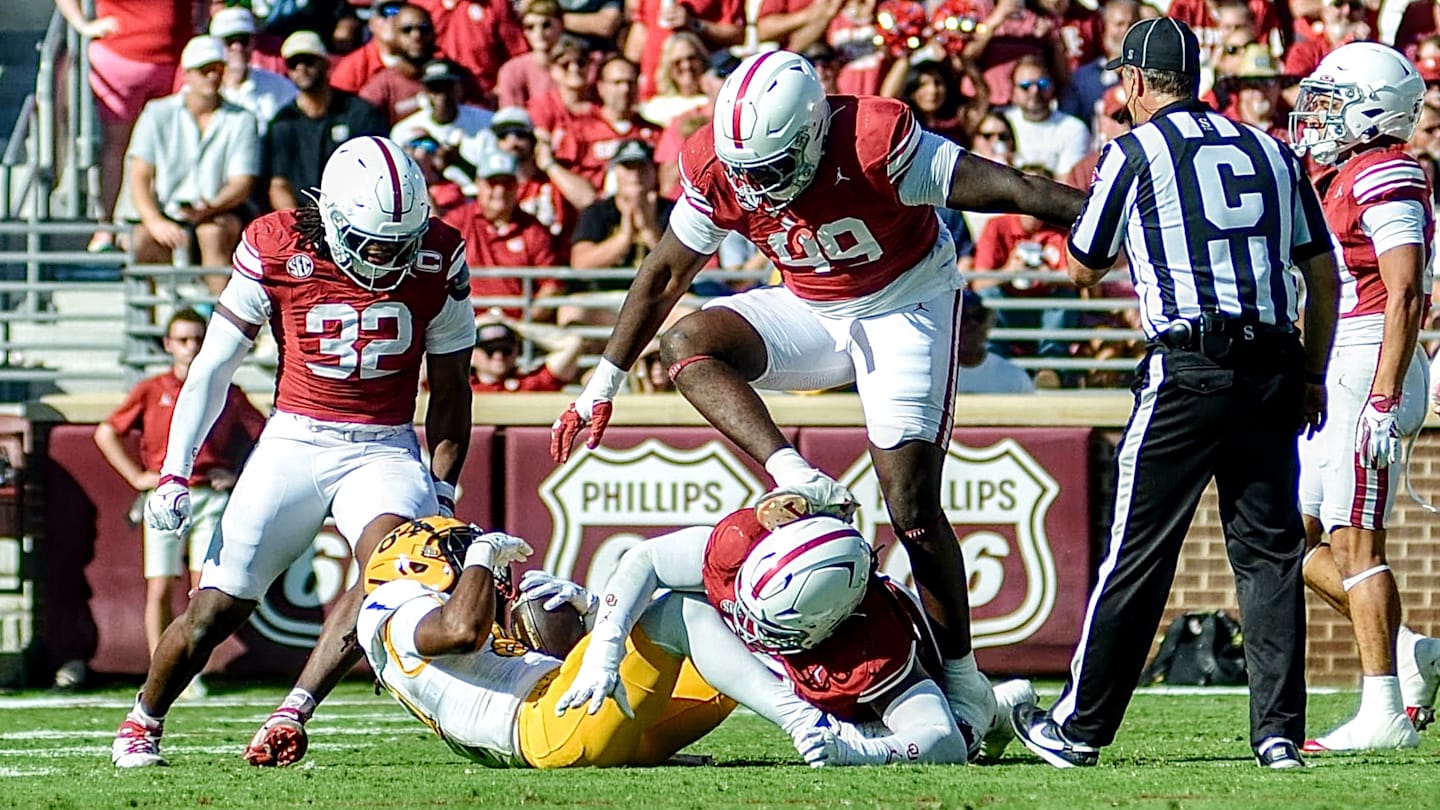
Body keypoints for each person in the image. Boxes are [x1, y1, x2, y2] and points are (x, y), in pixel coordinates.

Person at [548, 50, 1086, 716]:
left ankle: (963, 678)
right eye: (744, 171)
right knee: (687, 342)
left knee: (911, 506)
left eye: (769, 169)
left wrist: (1111, 218)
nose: (755, 189)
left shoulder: (873, 141)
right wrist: (601, 383)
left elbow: (1013, 189)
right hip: (809, 302)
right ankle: (794, 472)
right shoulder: (720, 164)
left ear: (810, 136)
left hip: (906, 303)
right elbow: (664, 273)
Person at [1009, 18, 1340, 771]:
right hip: (1273, 362)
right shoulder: (1273, 151)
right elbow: (1321, 276)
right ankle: (1278, 736)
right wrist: (1312, 374)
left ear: (1132, 81)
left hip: (1189, 364)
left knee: (1138, 550)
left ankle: (1080, 727)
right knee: (1270, 554)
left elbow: (1084, 268)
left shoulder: (1133, 151)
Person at [109, 136, 476, 769]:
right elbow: (213, 366)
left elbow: (451, 387)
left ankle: (293, 711)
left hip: (384, 445)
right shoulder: (277, 243)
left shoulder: (438, 253)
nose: (387, 258)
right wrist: (174, 472)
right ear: (330, 219)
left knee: (390, 575)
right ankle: (143, 719)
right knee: (215, 607)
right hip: (296, 437)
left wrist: (441, 493)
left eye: (399, 243)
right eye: (371, 242)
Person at [356, 516, 912, 768]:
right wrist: (480, 554)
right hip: (548, 730)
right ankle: (810, 725)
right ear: (414, 563)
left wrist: (595, 613)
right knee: (679, 611)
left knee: (741, 636)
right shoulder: (392, 607)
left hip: (577, 723)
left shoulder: (418, 627)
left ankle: (866, 721)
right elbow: (460, 632)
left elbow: (545, 673)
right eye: (455, 552)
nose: (472, 563)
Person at [571, 504, 1040, 765]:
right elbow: (645, 560)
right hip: (801, 685)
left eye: (768, 624)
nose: (748, 625)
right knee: (678, 610)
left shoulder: (871, 645)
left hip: (865, 712)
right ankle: (804, 719)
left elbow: (942, 739)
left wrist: (859, 754)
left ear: (825, 624)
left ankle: (994, 708)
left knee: (964, 732)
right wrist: (604, 649)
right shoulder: (740, 547)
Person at [1290, 43, 1437, 753]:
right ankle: (1408, 651)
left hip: (1370, 360)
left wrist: (1383, 395)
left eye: (1332, 102)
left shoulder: (1387, 170)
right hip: (1342, 362)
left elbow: (1405, 291)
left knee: (1356, 540)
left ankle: (1384, 710)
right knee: (1288, 536)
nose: (1317, 115)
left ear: (1373, 111)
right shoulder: (1345, 173)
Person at [93, 308, 266, 687]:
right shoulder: (152, 389)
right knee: (160, 586)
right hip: (167, 496)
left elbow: (267, 436)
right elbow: (106, 432)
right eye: (183, 339)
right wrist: (136, 476)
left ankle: (190, 670)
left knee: (205, 590)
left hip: (208, 494)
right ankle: (161, 670)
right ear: (168, 344)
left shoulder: (228, 391)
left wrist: (236, 476)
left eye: (197, 339)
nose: (190, 347)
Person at [121, 36, 260, 296]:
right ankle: (148, 315)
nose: (212, 76)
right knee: (140, 242)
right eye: (204, 69)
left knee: (213, 234)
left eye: (217, 69)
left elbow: (242, 182)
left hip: (221, 211)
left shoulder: (243, 119)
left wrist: (212, 206)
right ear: (187, 74)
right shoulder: (156, 113)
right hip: (170, 211)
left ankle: (222, 313)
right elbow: (139, 175)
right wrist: (154, 221)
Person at [264, 31, 391, 211]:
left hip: (355, 210)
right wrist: (298, 221)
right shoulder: (283, 122)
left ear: (325, 63)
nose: (301, 68)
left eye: (309, 61)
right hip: (303, 214)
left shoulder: (359, 113)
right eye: (294, 64)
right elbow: (279, 184)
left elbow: (377, 172)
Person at [443, 149, 566, 319]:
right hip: (466, 323)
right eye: (492, 183)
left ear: (517, 186)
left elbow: (552, 284)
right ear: (479, 184)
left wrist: (526, 319)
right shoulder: (457, 222)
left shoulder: (533, 230)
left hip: (517, 325)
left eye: (507, 183)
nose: (500, 191)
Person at [209, 7, 299, 138]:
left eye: (243, 40)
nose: (237, 48)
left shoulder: (279, 87)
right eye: (229, 41)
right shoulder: (201, 91)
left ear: (253, 43)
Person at [955, 290, 1036, 394]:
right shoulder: (936, 374)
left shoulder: (1014, 378)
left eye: (979, 316)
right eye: (962, 317)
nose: (972, 324)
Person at [469, 319, 582, 392]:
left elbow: (572, 343)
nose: (498, 355)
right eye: (489, 350)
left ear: (516, 351)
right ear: (472, 354)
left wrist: (516, 326)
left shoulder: (531, 384)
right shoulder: (463, 388)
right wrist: (474, 325)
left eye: (506, 349)